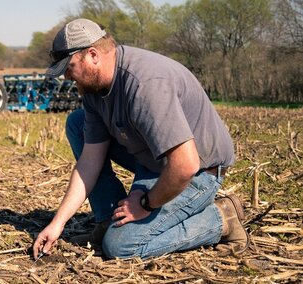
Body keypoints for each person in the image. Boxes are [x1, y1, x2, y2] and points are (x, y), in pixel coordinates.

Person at [32, 18, 250, 260]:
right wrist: (58, 223)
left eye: (69, 68)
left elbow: (185, 165)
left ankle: (221, 218)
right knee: (77, 123)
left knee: (121, 248)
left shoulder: (145, 84)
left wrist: (146, 203)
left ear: (92, 55)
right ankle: (108, 220)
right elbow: (90, 162)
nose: (67, 78)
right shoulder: (94, 90)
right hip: (155, 159)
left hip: (198, 170)